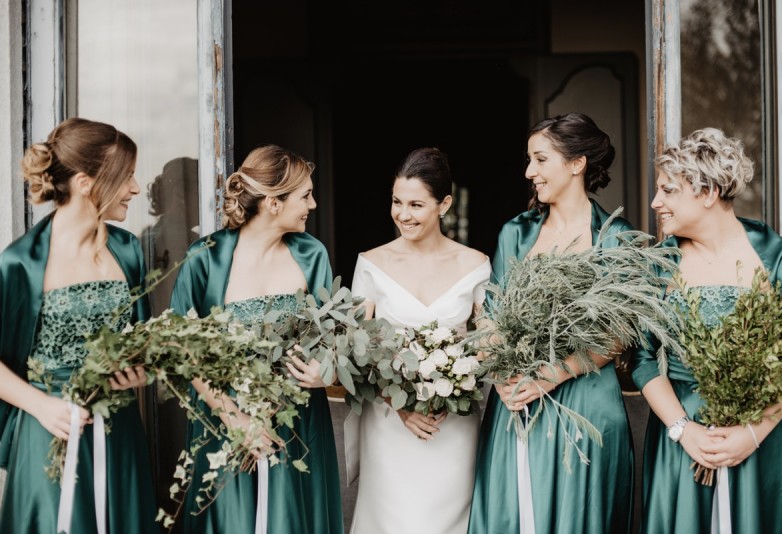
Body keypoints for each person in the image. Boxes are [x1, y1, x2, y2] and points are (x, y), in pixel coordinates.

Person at [468, 112, 634, 534]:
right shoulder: (516, 233)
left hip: (586, 404)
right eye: (529, 160)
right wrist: (503, 377)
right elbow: (491, 314)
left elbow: (617, 334)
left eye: (540, 160)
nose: (529, 172)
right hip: (516, 401)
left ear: (576, 163)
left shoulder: (613, 237)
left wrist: (549, 376)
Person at [632, 127, 782, 533]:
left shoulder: (778, 257)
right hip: (683, 437)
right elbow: (641, 360)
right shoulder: (659, 264)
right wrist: (682, 430)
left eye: (668, 190)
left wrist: (753, 433)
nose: (656, 203)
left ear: (707, 192)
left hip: (766, 437)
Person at [170, 144, 343, 534]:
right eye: (305, 196)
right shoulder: (204, 258)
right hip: (227, 423)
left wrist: (326, 371)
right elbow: (180, 351)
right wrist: (235, 417)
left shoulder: (312, 254)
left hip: (299, 424)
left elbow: (332, 335)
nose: (313, 205)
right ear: (272, 203)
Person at [0, 117, 156, 532]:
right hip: (50, 433)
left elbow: (144, 344)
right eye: (127, 177)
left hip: (121, 434)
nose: (136, 189)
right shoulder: (20, 263)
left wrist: (140, 372)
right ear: (86, 183)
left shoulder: (127, 250)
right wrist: (41, 406)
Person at [348, 147, 490, 534]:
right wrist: (400, 404)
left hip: (453, 425)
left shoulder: (476, 265)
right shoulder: (372, 263)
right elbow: (355, 350)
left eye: (416, 204)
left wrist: (462, 378)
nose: (403, 215)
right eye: (396, 202)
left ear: (444, 204)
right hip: (390, 423)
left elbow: (491, 344)